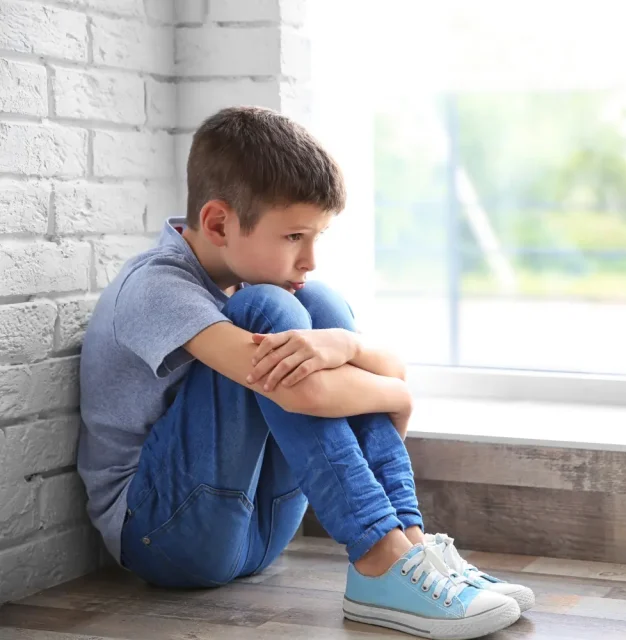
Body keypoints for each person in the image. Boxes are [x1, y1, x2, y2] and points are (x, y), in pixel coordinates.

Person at [76, 106, 533, 640]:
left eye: (316, 237)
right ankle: (377, 557)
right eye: (295, 236)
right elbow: (310, 394)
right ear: (219, 223)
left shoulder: (253, 277)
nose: (310, 256)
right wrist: (396, 399)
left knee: (319, 308)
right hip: (165, 537)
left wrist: (344, 344)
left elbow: (386, 367)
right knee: (271, 313)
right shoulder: (155, 288)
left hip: (258, 532)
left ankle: (408, 548)